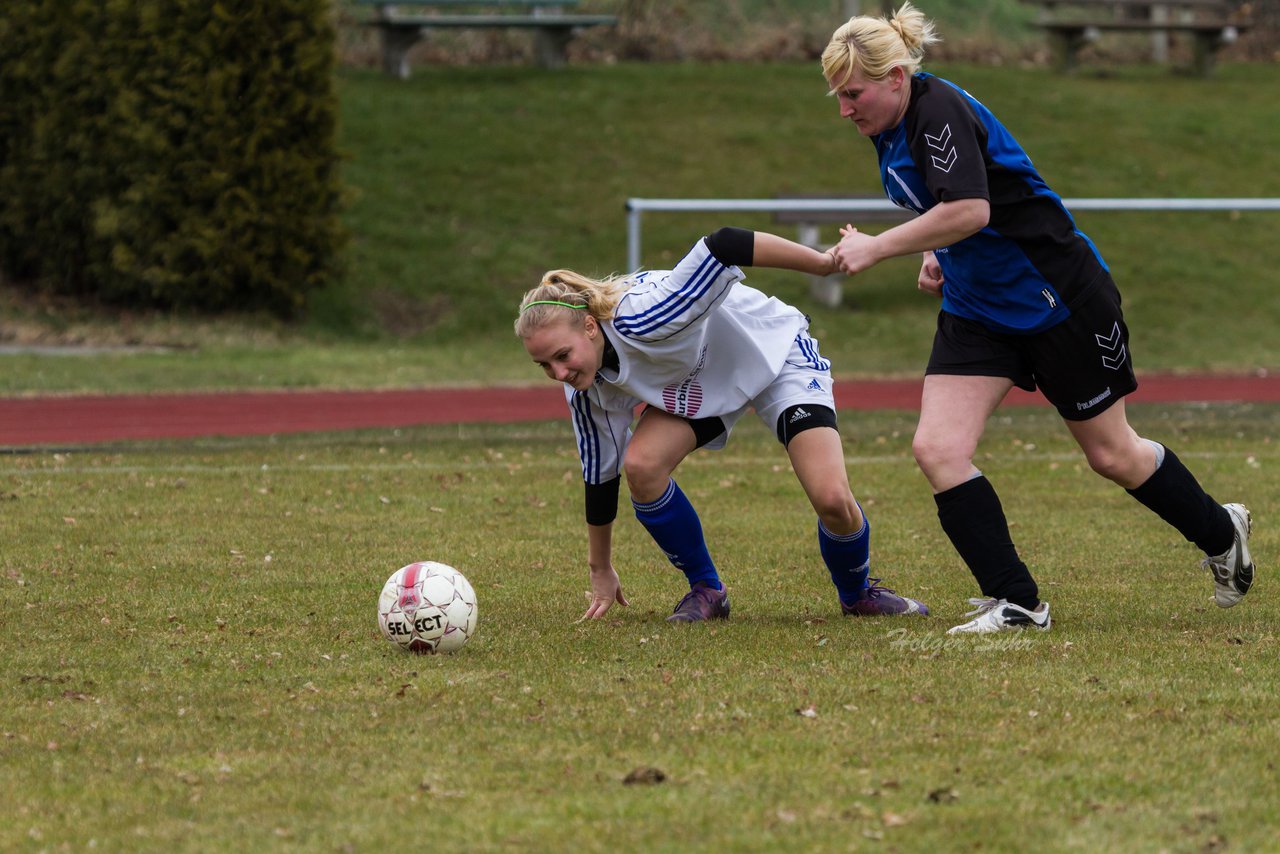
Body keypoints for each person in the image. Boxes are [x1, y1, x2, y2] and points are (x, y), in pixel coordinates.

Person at [820, 2, 1255, 634]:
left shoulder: (936, 111)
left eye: (853, 92)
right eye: (837, 95)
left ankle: (1223, 532)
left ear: (896, 78)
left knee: (1112, 454)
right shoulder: (888, 127)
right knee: (938, 448)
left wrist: (881, 246)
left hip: (1058, 300)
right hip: (979, 309)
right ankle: (1018, 603)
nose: (844, 108)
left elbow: (970, 208)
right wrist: (941, 255)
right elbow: (958, 209)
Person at [515, 227, 930, 623]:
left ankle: (857, 595)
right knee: (641, 466)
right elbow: (599, 479)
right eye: (544, 365)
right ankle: (707, 590)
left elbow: (724, 243)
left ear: (590, 327)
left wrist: (822, 265)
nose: (558, 372)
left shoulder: (646, 315)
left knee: (832, 499)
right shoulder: (587, 390)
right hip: (697, 386)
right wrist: (600, 568)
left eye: (562, 355)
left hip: (775, 355)